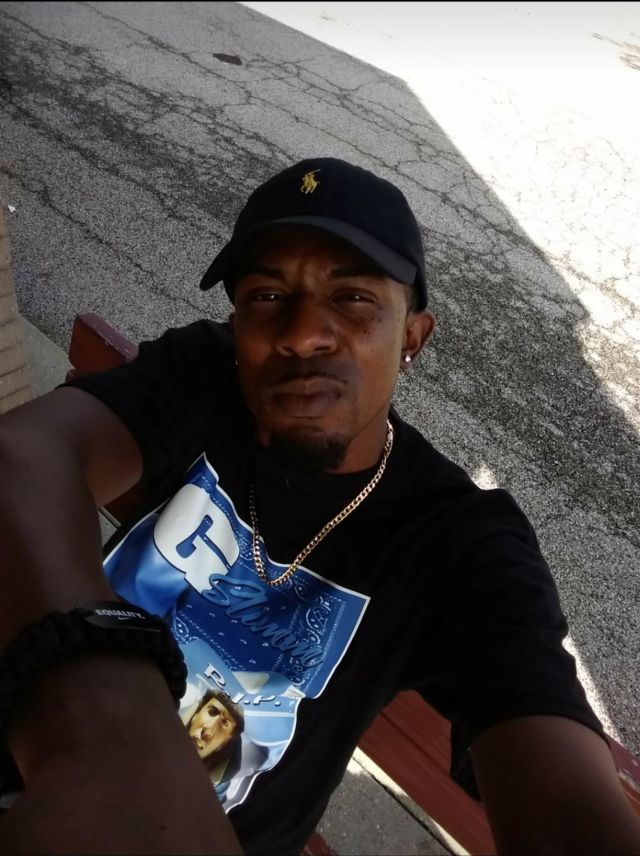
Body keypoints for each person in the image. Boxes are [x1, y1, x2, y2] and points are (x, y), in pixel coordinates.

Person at [0, 157, 639, 856]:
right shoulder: (205, 377)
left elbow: (564, 798)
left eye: (354, 298)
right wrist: (102, 725)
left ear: (413, 337)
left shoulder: (456, 542)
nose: (303, 333)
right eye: (268, 295)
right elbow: (23, 459)